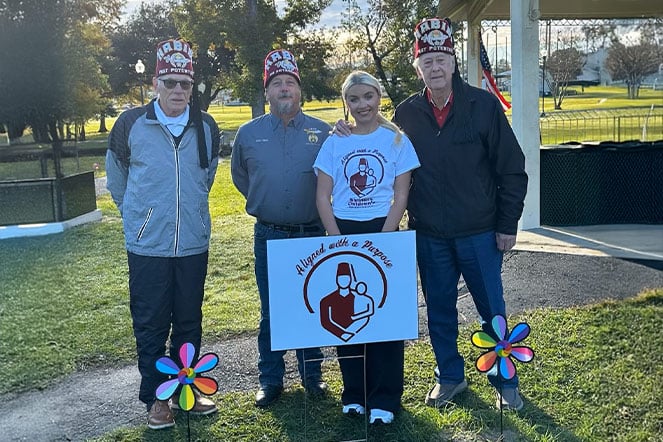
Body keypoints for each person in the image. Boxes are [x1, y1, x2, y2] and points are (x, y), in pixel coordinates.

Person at [394, 17, 529, 411]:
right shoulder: (406, 114)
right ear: (417, 68)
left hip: (480, 233)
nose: (435, 68)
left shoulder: (483, 106)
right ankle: (450, 377)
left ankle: (504, 380)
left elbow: (512, 168)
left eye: (441, 59)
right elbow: (384, 155)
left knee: (493, 312)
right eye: (427, 61)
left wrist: (507, 225)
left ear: (453, 63)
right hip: (430, 234)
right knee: (439, 310)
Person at [106, 39, 220, 430]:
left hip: (192, 243)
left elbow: (206, 178)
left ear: (192, 87)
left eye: (184, 84)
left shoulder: (205, 126)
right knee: (151, 322)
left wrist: (189, 216)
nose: (177, 91)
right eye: (170, 82)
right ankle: (157, 397)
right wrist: (141, 218)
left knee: (189, 320)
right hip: (148, 246)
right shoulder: (130, 124)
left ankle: (186, 390)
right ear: (156, 81)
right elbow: (118, 181)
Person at [314, 70, 420, 424]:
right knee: (347, 314)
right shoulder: (334, 143)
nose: (363, 105)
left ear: (378, 98)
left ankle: (384, 399)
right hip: (344, 230)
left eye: (368, 97)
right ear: (346, 104)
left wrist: (385, 235)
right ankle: (354, 394)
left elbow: (401, 194)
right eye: (354, 99)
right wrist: (337, 239)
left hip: (384, 229)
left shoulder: (397, 141)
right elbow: (323, 196)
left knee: (385, 317)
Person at [231, 49, 330, 408]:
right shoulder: (248, 134)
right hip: (270, 234)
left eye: (290, 83)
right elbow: (242, 178)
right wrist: (269, 202)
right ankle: (271, 379)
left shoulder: (324, 132)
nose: (284, 89)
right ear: (267, 92)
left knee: (311, 305)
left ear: (299, 90)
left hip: (311, 234)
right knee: (272, 310)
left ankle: (312, 376)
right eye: (277, 84)